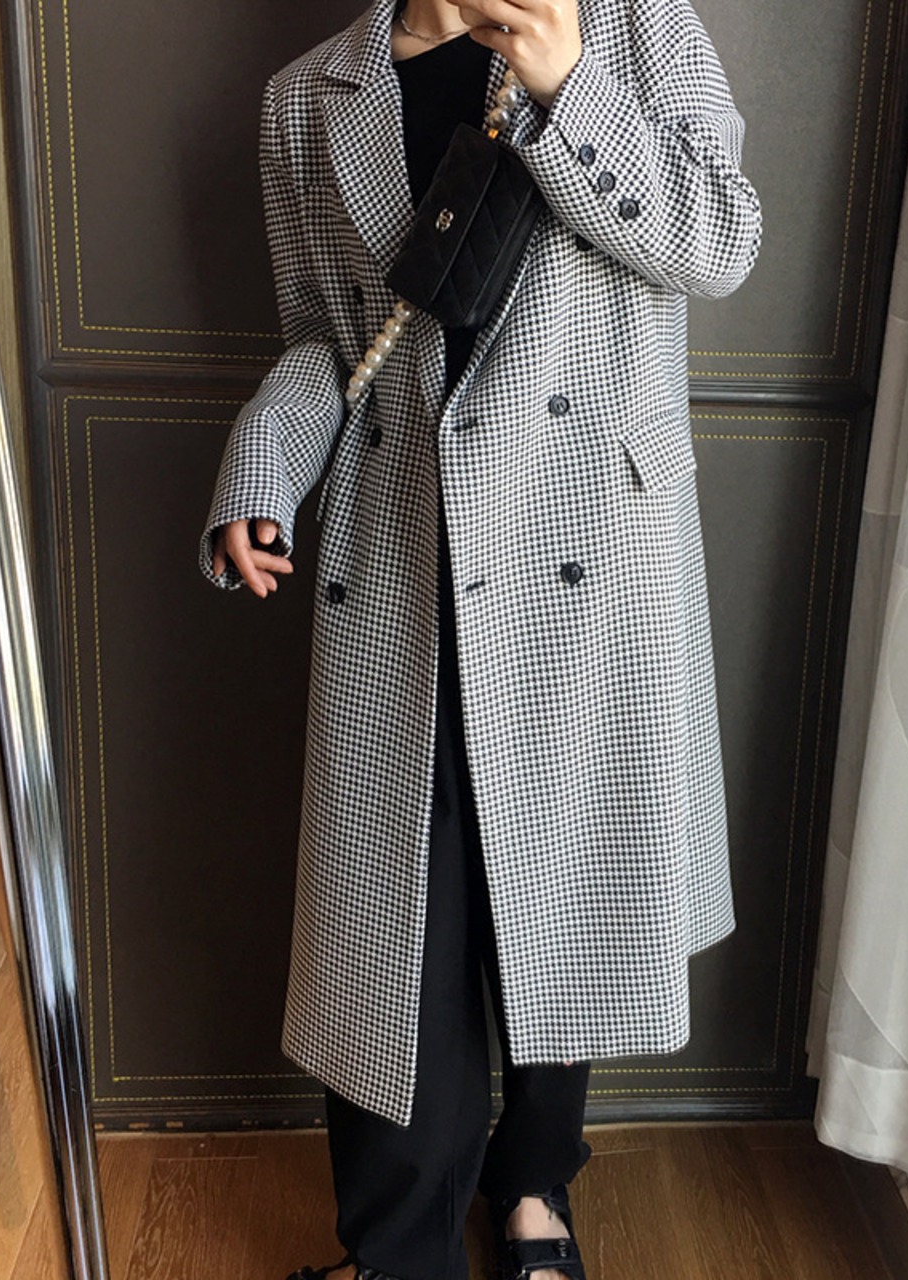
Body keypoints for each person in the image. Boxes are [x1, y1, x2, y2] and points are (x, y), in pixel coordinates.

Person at [199, 1, 761, 1277]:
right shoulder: (308, 96)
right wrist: (262, 466)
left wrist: (569, 88)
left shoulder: (633, 27)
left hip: (583, 544)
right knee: (396, 918)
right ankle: (397, 1246)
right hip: (400, 551)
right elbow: (324, 339)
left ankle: (532, 1184)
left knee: (562, 888)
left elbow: (720, 238)